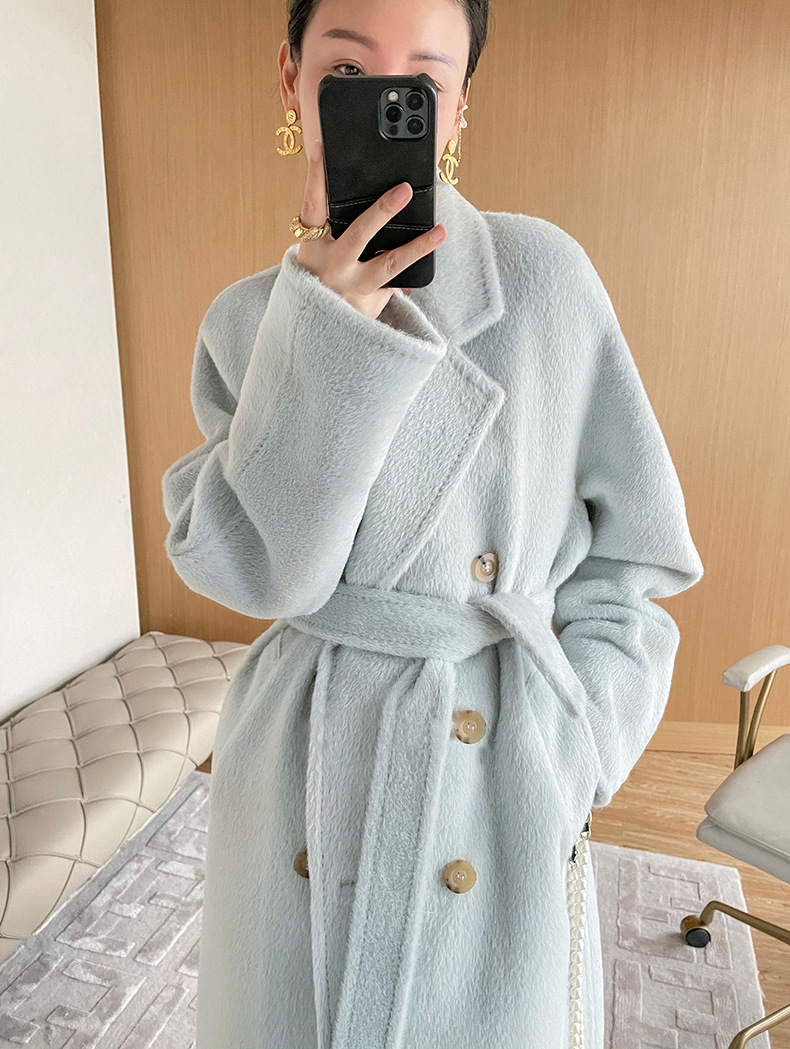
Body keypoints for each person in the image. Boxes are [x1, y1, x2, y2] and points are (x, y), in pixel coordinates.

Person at [161, 0, 705, 1046]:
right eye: (346, 71)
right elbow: (260, 573)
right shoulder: (247, 322)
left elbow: (636, 561)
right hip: (300, 762)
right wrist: (326, 336)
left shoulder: (545, 279)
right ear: (292, 83)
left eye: (419, 80)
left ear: (457, 109)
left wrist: (580, 743)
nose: (382, 98)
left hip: (499, 763)